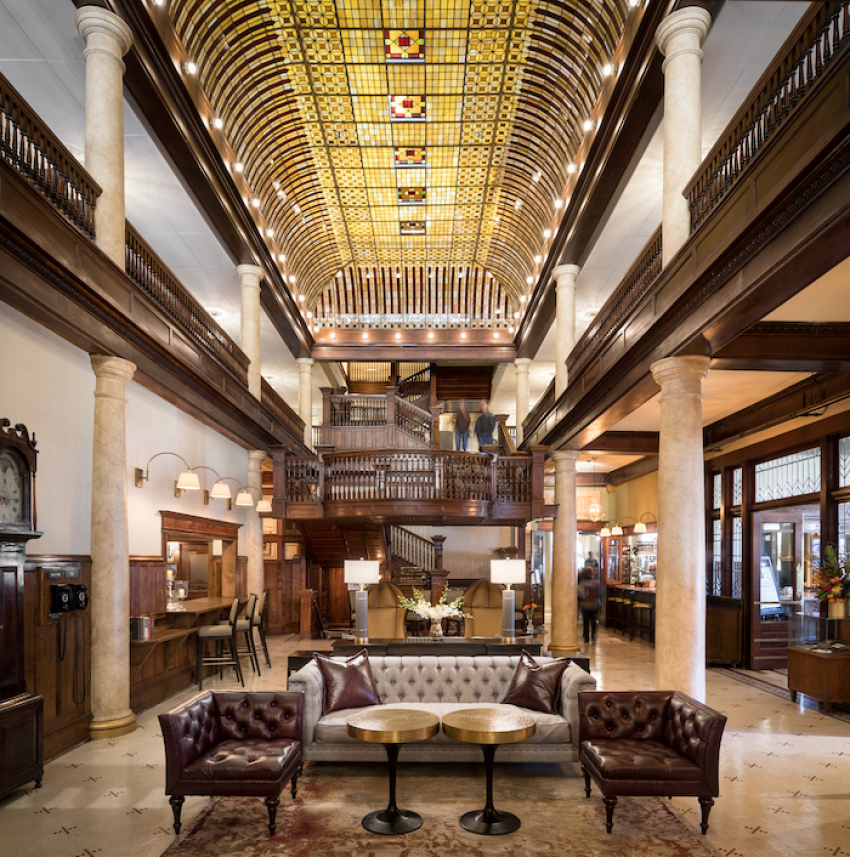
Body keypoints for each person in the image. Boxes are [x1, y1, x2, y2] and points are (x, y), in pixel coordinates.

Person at [577, 566, 601, 645]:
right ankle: (593, 636)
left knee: (586, 622)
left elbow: (579, 594)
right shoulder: (596, 583)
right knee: (594, 622)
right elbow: (600, 593)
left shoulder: (582, 584)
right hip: (594, 605)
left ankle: (586, 639)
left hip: (585, 605)